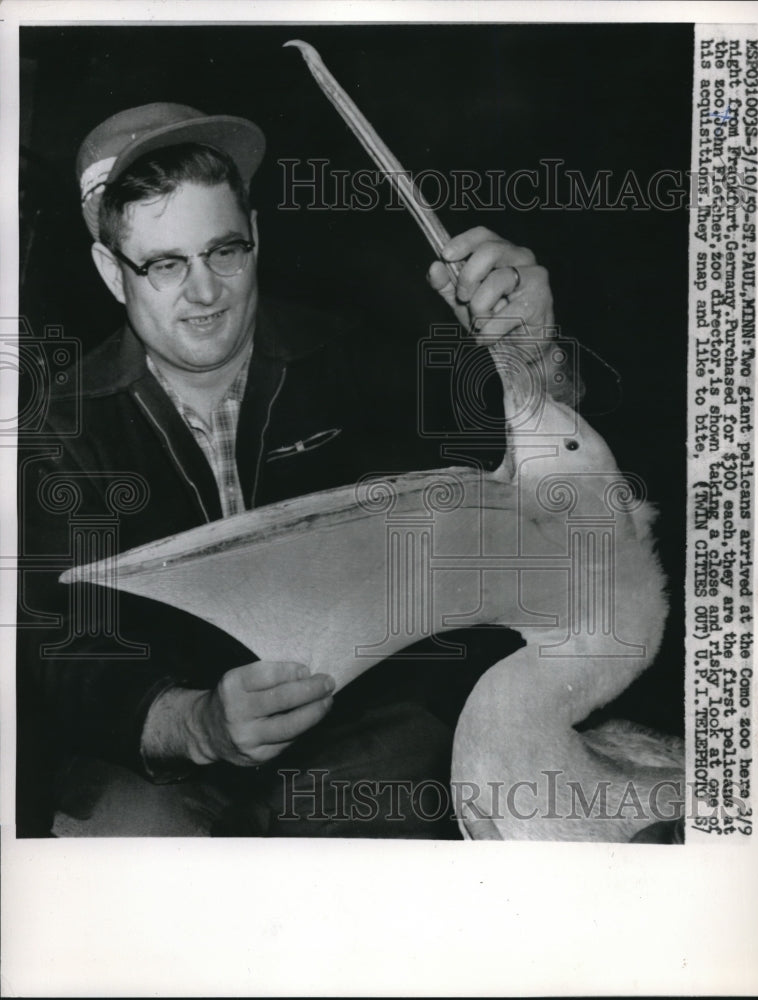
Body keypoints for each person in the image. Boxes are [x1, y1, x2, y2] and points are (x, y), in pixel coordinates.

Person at [17, 102, 578, 837]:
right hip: (167, 763)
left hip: (362, 743)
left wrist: (530, 354)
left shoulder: (352, 356)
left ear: (257, 238)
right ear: (110, 271)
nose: (206, 292)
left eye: (225, 251)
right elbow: (64, 654)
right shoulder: (63, 426)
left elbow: (540, 497)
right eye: (163, 264)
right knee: (116, 849)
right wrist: (198, 724)